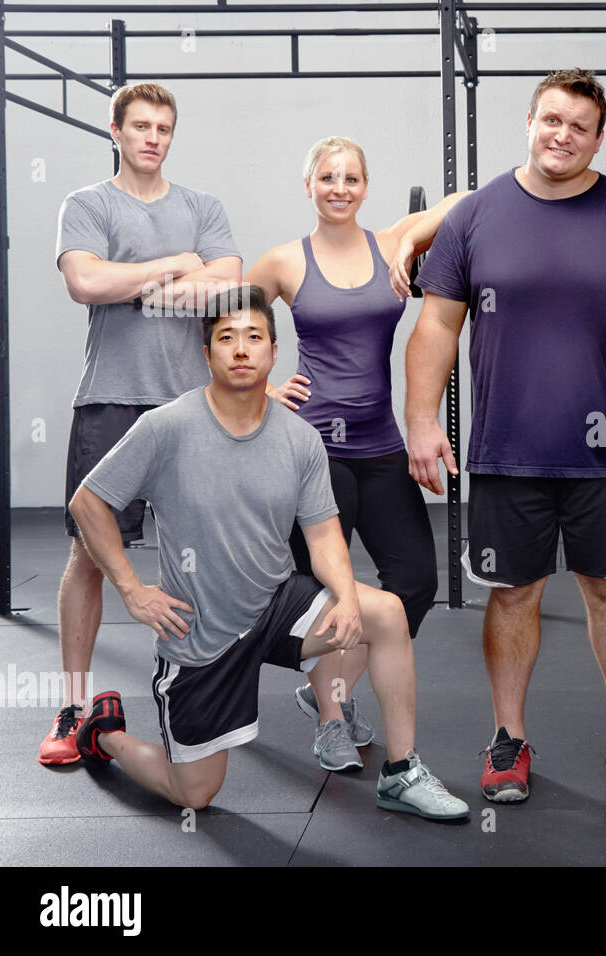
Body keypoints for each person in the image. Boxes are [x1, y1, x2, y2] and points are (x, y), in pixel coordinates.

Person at [67, 286, 467, 822]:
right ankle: (106, 735)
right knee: (194, 794)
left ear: (274, 352)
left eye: (254, 337)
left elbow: (324, 537)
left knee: (387, 612)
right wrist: (132, 591)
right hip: (201, 633)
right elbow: (88, 502)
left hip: (277, 604)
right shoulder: (166, 427)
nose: (240, 349)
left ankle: (401, 772)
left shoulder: (300, 439)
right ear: (205, 352)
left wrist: (347, 599)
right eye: (225, 338)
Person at [406, 69, 606, 804]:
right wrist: (420, 419)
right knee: (512, 595)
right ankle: (509, 738)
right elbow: (437, 323)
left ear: (598, 139)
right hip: (506, 448)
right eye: (551, 120)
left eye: (579, 126)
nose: (562, 135)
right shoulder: (475, 215)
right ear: (529, 122)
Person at [244, 136, 468, 772]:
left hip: (380, 444)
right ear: (308, 186)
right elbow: (223, 319)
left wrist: (405, 240)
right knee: (327, 592)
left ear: (366, 186)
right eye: (327, 178)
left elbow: (468, 201)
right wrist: (262, 386)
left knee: (415, 585)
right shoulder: (286, 261)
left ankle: (328, 693)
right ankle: (334, 719)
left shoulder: (391, 241)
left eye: (350, 178)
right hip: (314, 451)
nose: (339, 188)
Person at [42, 82, 242, 765]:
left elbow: (226, 285)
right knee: (90, 556)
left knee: (203, 559)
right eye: (141, 127)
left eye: (163, 127)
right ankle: (72, 708)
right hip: (111, 400)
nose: (153, 137)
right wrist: (177, 266)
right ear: (116, 131)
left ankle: (200, 700)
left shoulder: (202, 207)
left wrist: (135, 276)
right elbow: (85, 285)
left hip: (192, 406)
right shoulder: (89, 204)